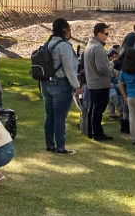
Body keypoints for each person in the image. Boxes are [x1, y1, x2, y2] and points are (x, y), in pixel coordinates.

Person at [40, 17, 81, 155]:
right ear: (65, 30)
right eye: (69, 29)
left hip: (45, 83)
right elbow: (69, 68)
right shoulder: (64, 46)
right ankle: (61, 146)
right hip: (61, 84)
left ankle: (50, 144)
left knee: (49, 116)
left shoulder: (47, 44)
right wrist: (76, 85)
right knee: (60, 117)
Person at [83, 22, 119, 142]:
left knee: (93, 108)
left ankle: (91, 132)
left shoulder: (90, 45)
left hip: (92, 82)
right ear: (98, 34)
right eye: (106, 34)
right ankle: (97, 133)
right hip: (99, 83)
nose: (107, 36)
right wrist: (114, 72)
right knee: (98, 109)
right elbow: (102, 67)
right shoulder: (98, 47)